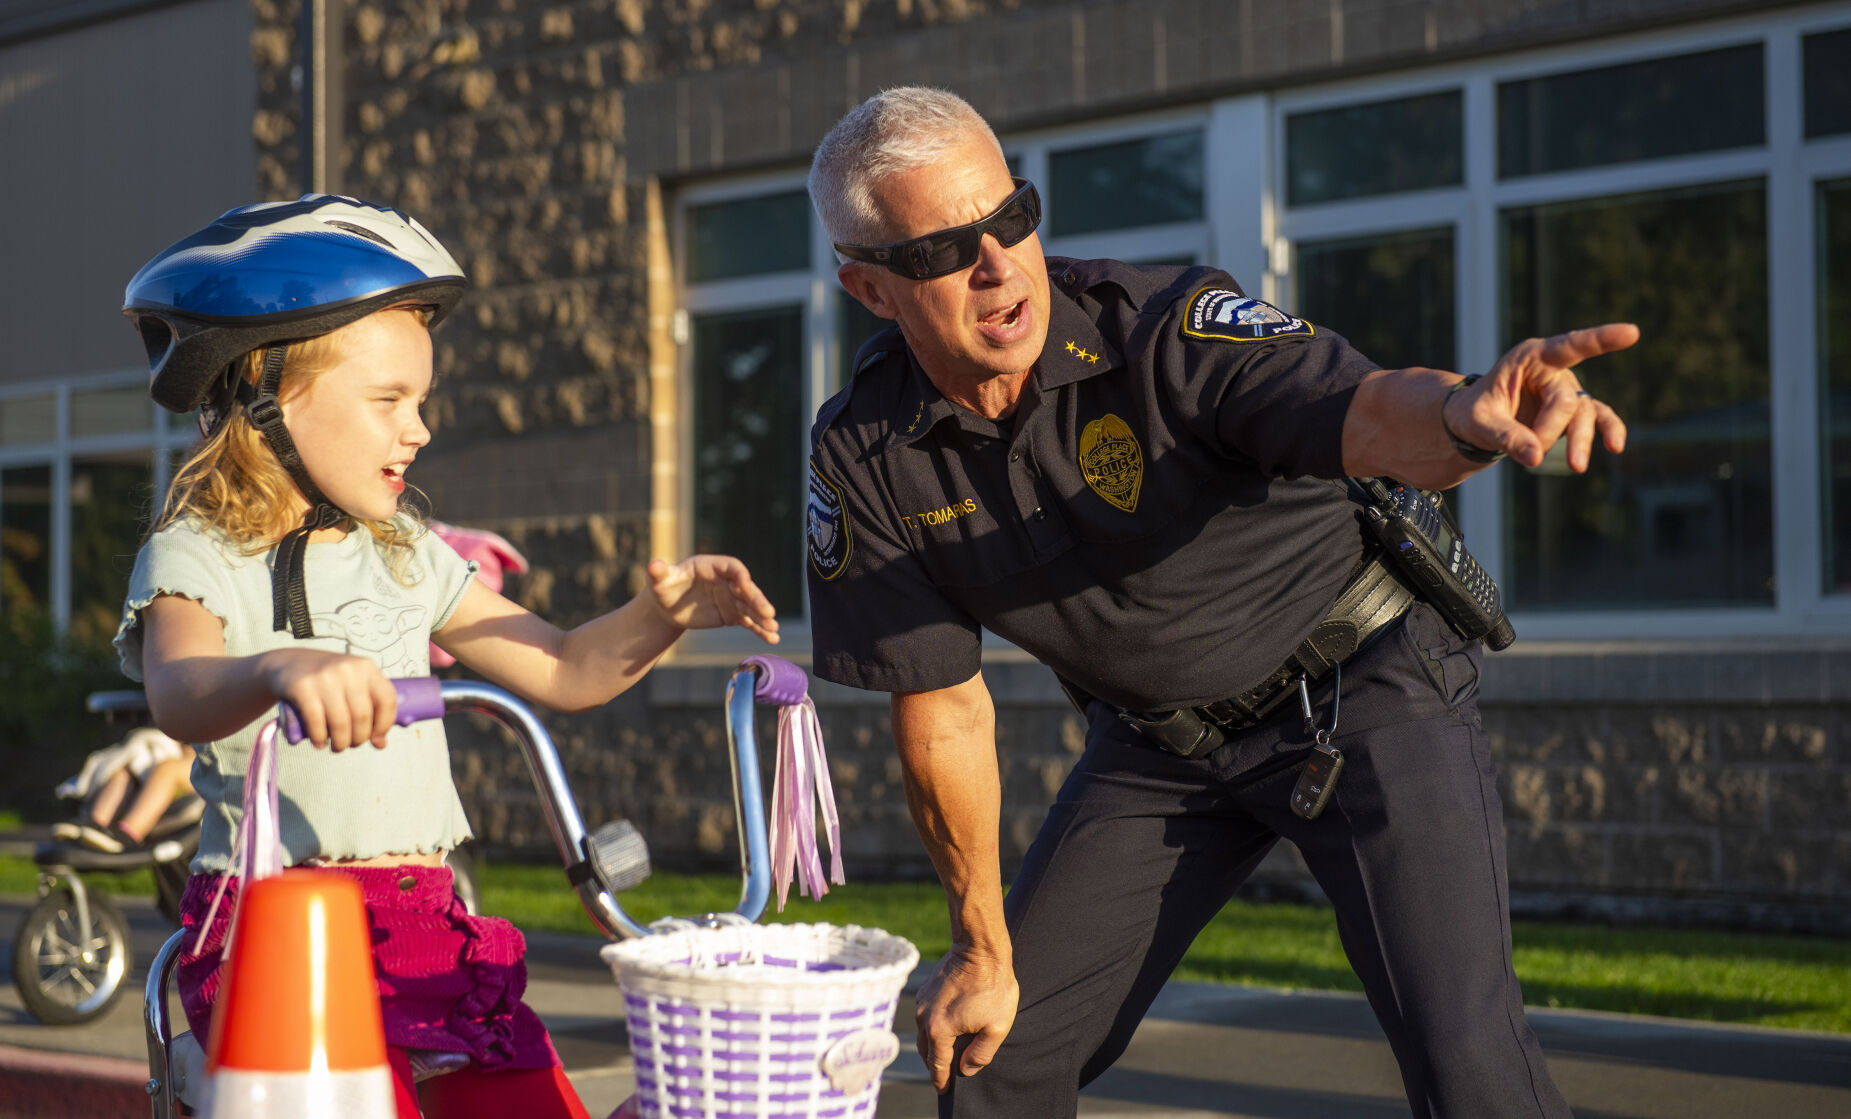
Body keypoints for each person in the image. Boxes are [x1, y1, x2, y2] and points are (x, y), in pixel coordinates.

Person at [804, 88, 1632, 1119]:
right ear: (871, 291)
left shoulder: (1163, 329)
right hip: (1160, 754)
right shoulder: (865, 454)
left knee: (1467, 1061)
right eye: (943, 250)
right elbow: (943, 708)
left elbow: (1365, 412)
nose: (996, 264)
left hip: (1365, 692)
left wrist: (1464, 417)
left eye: (1011, 215)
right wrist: (980, 943)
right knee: (993, 1051)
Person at [113, 195, 779, 1119]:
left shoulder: (409, 553)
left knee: (539, 1103)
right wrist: (276, 669)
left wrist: (660, 615)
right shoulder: (198, 552)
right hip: (275, 928)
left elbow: (560, 667)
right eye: (388, 401)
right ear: (266, 392)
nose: (416, 428)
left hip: (425, 919)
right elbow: (178, 690)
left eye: (419, 402)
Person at [52, 727, 200, 853]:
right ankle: (95, 826)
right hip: (183, 751)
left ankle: (127, 836)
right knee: (127, 767)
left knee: (167, 769)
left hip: (213, 768)